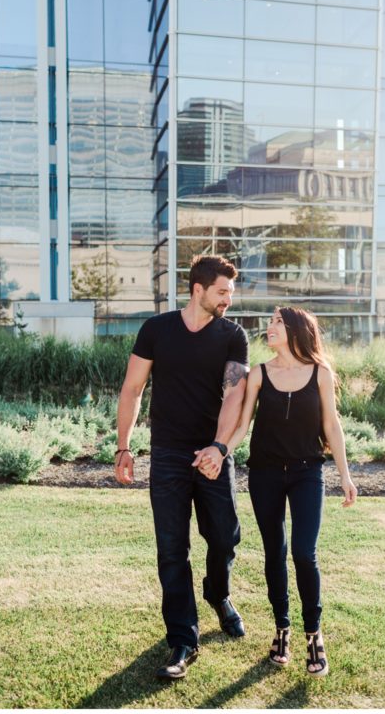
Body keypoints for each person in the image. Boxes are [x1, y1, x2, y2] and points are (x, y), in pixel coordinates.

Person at [115, 254, 250, 681]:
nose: (229, 299)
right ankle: (183, 641)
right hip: (169, 454)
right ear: (198, 290)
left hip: (211, 454)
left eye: (231, 292)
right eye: (223, 292)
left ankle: (218, 593)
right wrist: (123, 447)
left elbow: (235, 396)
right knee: (172, 549)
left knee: (225, 536)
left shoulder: (234, 335)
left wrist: (219, 447)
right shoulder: (157, 330)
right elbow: (133, 388)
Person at [225, 306, 358, 675]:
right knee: (275, 551)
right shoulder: (259, 374)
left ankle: (313, 634)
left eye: (278, 322)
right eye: (269, 322)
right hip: (264, 473)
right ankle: (282, 627)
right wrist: (222, 451)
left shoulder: (320, 373)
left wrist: (345, 476)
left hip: (306, 473)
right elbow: (242, 425)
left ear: (297, 330)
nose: (270, 327)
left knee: (303, 553)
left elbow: (332, 427)